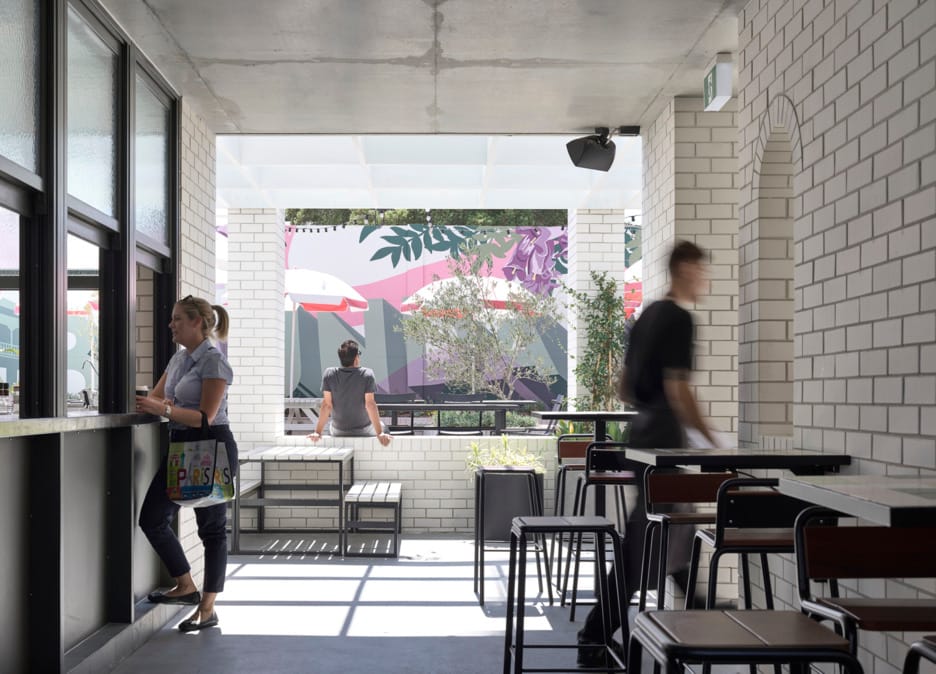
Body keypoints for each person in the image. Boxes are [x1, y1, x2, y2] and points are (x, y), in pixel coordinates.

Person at [577, 241, 722, 667]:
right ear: (684, 268)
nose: (704, 280)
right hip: (663, 437)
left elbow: (624, 388)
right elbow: (678, 389)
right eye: (700, 271)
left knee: (666, 531)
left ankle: (698, 612)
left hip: (639, 437)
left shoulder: (644, 318)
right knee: (645, 544)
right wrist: (712, 440)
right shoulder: (678, 318)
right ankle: (595, 635)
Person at [135, 295, 236, 633]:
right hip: (180, 445)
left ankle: (207, 609)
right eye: (172, 318)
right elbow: (160, 396)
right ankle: (185, 585)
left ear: (197, 322)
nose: (171, 324)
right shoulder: (178, 359)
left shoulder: (214, 362)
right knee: (152, 518)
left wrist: (163, 409)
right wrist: (153, 404)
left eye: (178, 319)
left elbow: (205, 417)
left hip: (211, 445)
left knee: (212, 530)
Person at [307, 340, 391, 446]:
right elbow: (370, 404)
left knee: (330, 429)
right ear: (356, 358)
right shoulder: (367, 374)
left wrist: (317, 432)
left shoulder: (329, 373)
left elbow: (327, 405)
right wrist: (380, 433)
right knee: (384, 428)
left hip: (338, 431)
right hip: (364, 430)